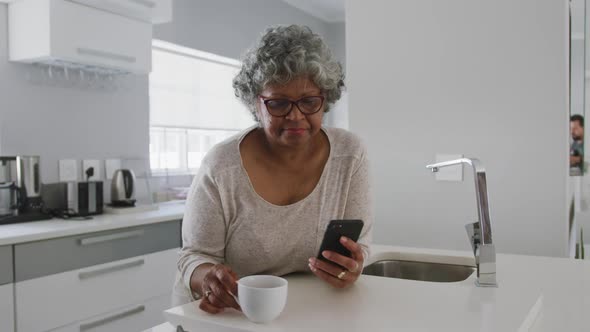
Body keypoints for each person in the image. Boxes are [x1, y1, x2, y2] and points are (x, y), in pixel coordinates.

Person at [172, 24, 373, 313]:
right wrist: (208, 279)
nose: (295, 116)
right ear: (256, 103)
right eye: (278, 103)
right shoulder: (222, 166)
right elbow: (193, 256)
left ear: (325, 100)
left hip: (299, 312)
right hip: (226, 314)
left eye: (308, 102)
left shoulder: (350, 156)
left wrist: (351, 268)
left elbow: (359, 249)